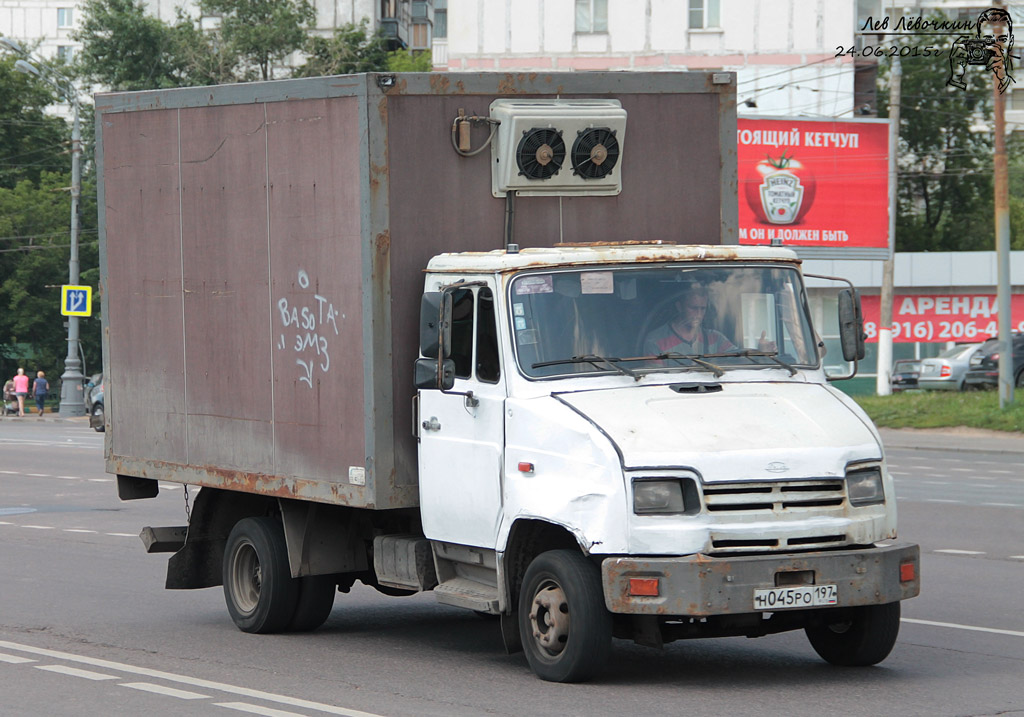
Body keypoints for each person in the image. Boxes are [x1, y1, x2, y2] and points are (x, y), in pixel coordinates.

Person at [643, 285, 737, 356]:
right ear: (679, 307)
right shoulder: (655, 341)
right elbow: (654, 378)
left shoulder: (716, 339)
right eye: (693, 308)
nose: (699, 314)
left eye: (702, 308)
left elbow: (738, 359)